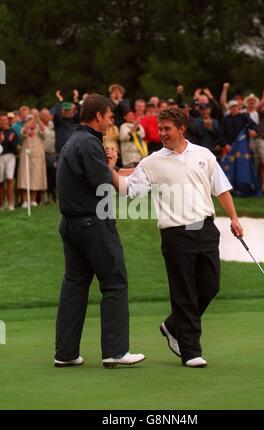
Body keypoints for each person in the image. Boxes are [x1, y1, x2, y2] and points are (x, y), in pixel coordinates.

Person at [106, 107, 243, 368]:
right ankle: (191, 351)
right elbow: (127, 189)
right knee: (185, 293)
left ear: (182, 128)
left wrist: (234, 218)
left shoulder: (203, 155)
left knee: (210, 285)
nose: (162, 134)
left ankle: (172, 325)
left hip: (204, 228)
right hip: (175, 234)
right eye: (160, 129)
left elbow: (221, 188)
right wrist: (111, 169)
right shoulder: (152, 161)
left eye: (167, 129)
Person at [55, 93, 145, 368]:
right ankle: (115, 352)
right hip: (93, 223)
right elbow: (103, 184)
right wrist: (113, 166)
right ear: (97, 116)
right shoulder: (90, 143)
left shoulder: (73, 140)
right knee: (115, 282)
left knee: (75, 285)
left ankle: (66, 354)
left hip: (70, 225)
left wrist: (119, 168)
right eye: (108, 117)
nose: (110, 122)